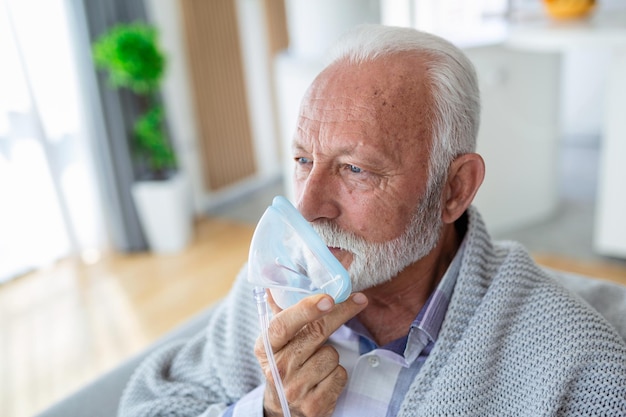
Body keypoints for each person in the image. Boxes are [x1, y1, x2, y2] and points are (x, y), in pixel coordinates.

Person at [118, 24, 626, 416]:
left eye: (355, 169)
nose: (307, 207)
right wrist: (271, 409)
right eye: (302, 162)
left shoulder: (573, 361)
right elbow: (154, 403)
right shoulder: (277, 288)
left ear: (454, 190)